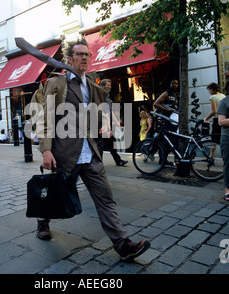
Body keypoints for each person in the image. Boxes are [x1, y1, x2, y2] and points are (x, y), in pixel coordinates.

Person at [36, 38, 150, 261]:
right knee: (57, 197)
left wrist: (103, 124)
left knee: (105, 197)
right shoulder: (57, 84)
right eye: (80, 54)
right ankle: (42, 221)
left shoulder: (90, 84)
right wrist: (46, 150)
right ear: (70, 59)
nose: (85, 57)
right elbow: (45, 118)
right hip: (65, 155)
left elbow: (94, 113)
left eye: (87, 54)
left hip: (90, 154)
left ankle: (122, 244)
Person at [97, 79, 128, 166]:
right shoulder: (101, 96)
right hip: (103, 124)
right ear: (102, 86)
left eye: (110, 86)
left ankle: (118, 161)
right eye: (107, 85)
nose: (109, 87)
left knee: (110, 144)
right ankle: (99, 165)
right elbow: (104, 112)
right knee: (100, 145)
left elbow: (110, 111)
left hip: (107, 124)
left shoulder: (107, 97)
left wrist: (116, 122)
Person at [153, 79, 179, 165]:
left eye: (176, 83)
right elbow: (156, 103)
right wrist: (167, 110)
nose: (175, 85)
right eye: (173, 83)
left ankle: (164, 159)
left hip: (172, 121)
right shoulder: (166, 93)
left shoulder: (175, 95)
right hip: (166, 120)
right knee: (166, 141)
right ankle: (162, 159)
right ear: (170, 84)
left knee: (170, 141)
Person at [204, 83, 225, 157]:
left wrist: (206, 118)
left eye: (209, 90)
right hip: (224, 119)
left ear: (212, 89)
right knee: (222, 138)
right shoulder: (223, 96)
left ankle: (211, 155)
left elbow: (214, 111)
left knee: (214, 139)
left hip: (217, 120)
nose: (209, 92)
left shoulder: (212, 97)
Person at [217, 80, 229, 201]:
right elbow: (221, 121)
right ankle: (227, 189)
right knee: (228, 163)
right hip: (227, 137)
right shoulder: (224, 102)